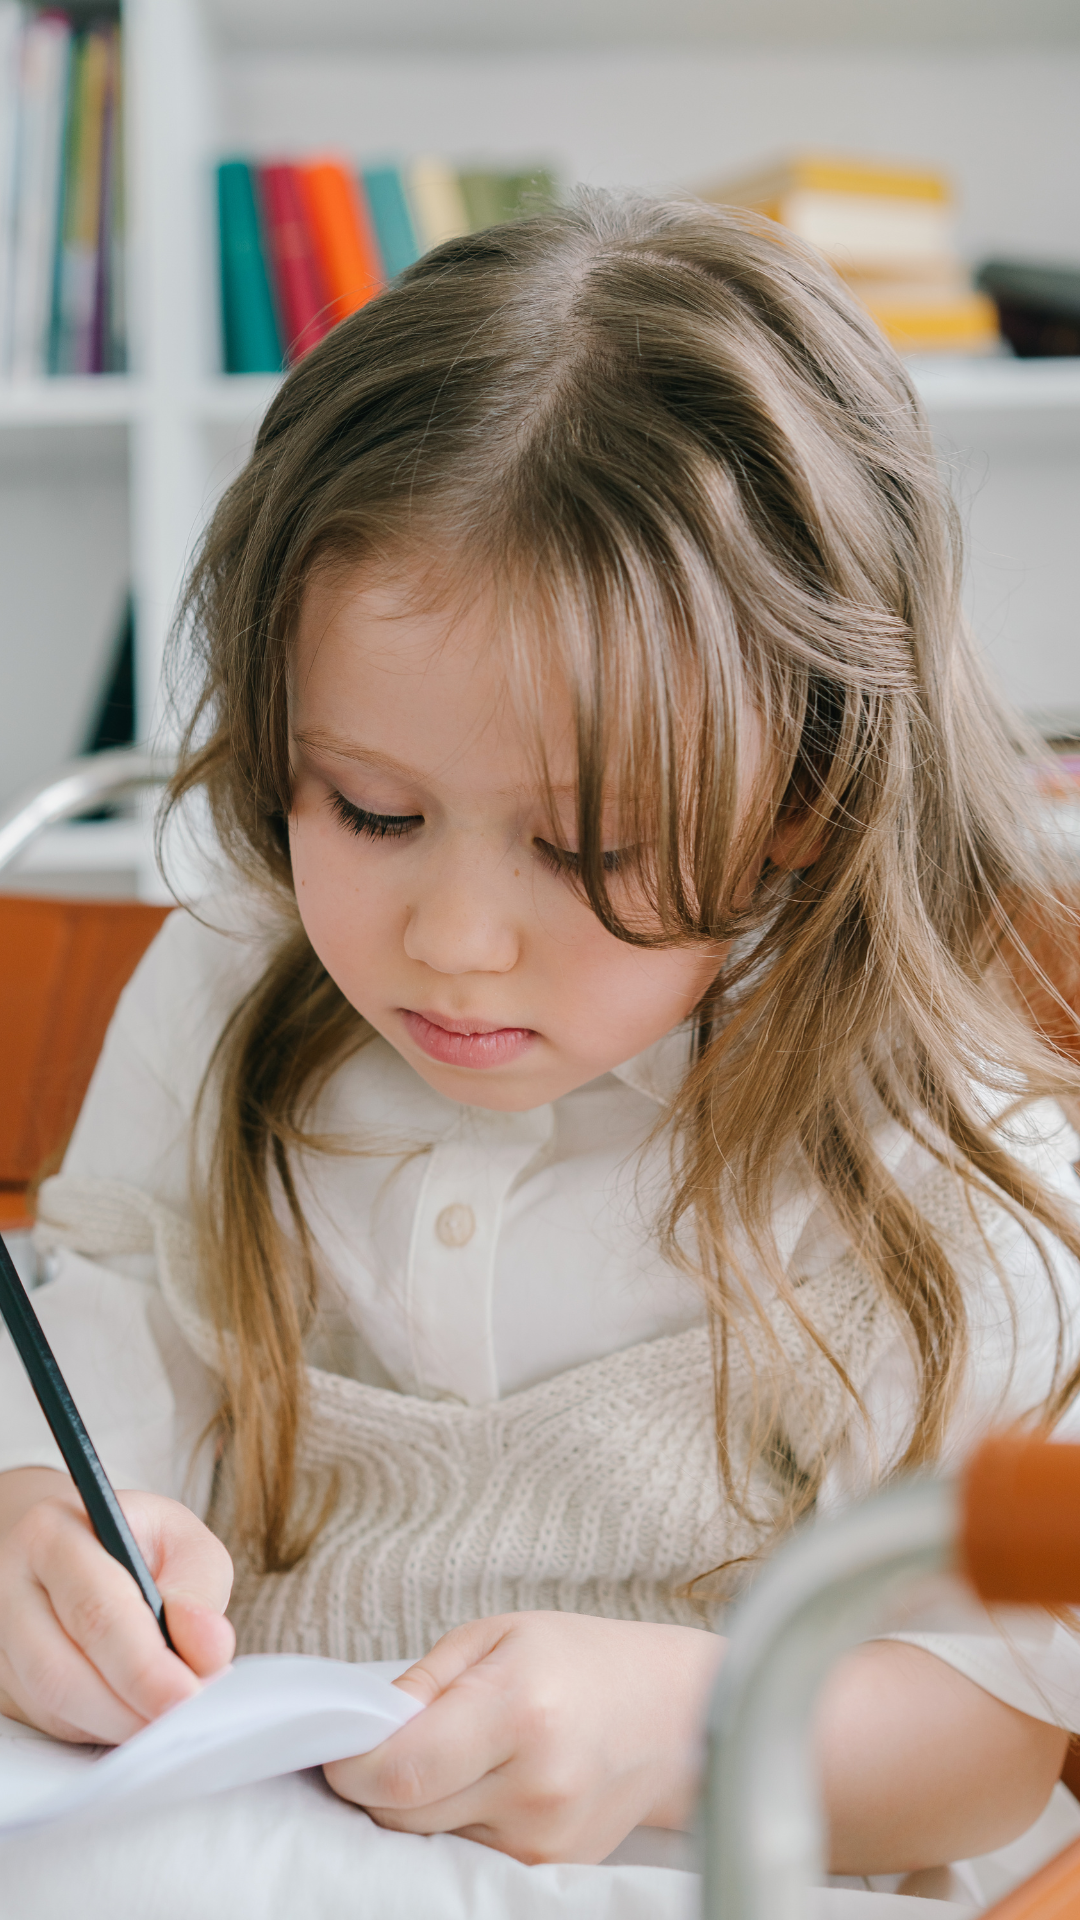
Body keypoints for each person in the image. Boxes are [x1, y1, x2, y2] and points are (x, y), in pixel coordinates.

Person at [1, 191, 1079, 1884]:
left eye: (587, 850)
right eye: (368, 810)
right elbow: (104, 1333)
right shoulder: (227, 991)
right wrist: (33, 1532)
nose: (454, 939)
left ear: (805, 799)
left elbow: (994, 1737)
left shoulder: (935, 1155)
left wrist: (681, 1726)